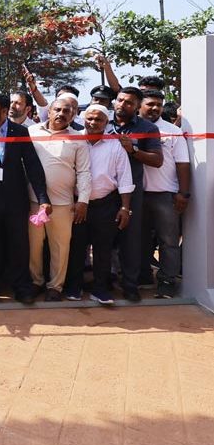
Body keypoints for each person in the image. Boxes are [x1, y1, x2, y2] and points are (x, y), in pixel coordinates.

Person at [0, 92, 50, 304]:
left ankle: (22, 288)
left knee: (19, 245)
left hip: (16, 199)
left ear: (4, 111)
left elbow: (32, 165)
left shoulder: (20, 131)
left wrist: (43, 197)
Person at [26, 98, 92, 301]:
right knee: (34, 246)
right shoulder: (32, 132)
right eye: (58, 109)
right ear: (50, 111)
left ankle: (55, 286)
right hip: (34, 201)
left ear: (73, 115)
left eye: (67, 111)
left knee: (60, 247)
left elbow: (84, 171)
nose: (61, 114)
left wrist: (83, 200)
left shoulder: (78, 138)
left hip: (64, 204)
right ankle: (36, 282)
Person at [75, 104, 133, 305]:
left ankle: (100, 289)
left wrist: (125, 207)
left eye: (98, 120)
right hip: (76, 205)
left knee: (103, 249)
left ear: (106, 123)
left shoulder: (115, 145)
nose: (93, 123)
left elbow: (125, 177)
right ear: (84, 119)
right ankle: (74, 287)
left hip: (106, 204)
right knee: (76, 247)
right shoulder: (74, 139)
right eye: (89, 119)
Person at [109, 87, 163, 301]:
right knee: (102, 238)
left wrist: (133, 150)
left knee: (130, 239)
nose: (123, 105)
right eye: (120, 100)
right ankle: (103, 281)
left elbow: (157, 160)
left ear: (137, 106)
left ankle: (130, 284)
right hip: (103, 190)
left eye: (129, 102)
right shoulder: (102, 121)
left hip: (131, 192)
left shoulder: (147, 128)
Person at [140, 89, 190, 298]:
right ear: (139, 105)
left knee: (168, 241)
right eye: (150, 104)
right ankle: (140, 277)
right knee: (137, 239)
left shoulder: (172, 130)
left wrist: (183, 193)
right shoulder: (130, 129)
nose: (155, 108)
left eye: (158, 105)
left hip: (165, 195)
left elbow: (183, 163)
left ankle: (167, 281)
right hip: (136, 195)